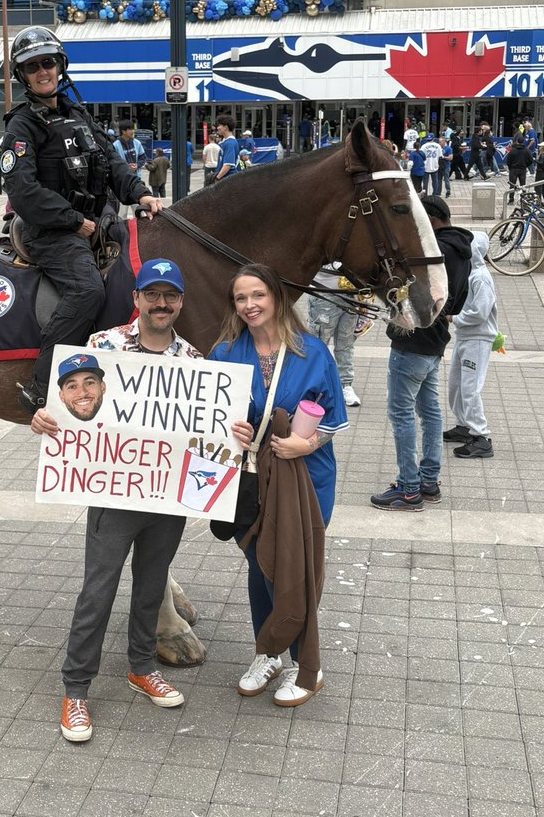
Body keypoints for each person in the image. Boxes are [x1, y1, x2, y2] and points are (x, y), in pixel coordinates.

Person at [30, 259, 204, 742]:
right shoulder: (103, 347)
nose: (161, 303)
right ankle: (76, 690)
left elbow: (205, 427)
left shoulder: (193, 361)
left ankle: (141, 667)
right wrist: (45, 418)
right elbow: (75, 400)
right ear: (138, 299)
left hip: (166, 498)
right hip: (114, 494)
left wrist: (233, 433)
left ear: (181, 302)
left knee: (152, 588)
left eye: (170, 295)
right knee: (98, 591)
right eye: (153, 294)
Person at [208, 264, 348, 706]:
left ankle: (308, 665)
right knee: (258, 563)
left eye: (258, 296)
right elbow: (207, 417)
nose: (249, 306)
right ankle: (268, 650)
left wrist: (306, 444)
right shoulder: (226, 352)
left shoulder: (312, 352)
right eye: (240, 298)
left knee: (293, 568)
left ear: (277, 298)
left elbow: (335, 418)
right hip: (248, 480)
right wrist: (231, 431)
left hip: (304, 479)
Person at [2, 27, 160, 413]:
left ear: (60, 66)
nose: (43, 71)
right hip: (51, 231)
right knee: (89, 290)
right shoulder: (21, 126)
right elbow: (23, 191)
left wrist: (141, 193)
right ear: (22, 75)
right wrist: (74, 222)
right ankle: (41, 386)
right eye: (32, 66)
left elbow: (112, 165)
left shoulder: (78, 114)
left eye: (48, 62)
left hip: (96, 223)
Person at [371, 196, 472, 511]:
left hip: (413, 342)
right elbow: (456, 300)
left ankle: (409, 488)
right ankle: (428, 481)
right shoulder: (461, 250)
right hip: (436, 341)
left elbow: (411, 293)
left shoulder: (432, 251)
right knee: (430, 412)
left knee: (401, 414)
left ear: (430, 218)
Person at [446, 232, 496, 460]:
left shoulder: (481, 277)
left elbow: (481, 312)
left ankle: (481, 437)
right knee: (456, 385)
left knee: (470, 387)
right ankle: (464, 425)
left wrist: (455, 318)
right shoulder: (470, 273)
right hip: (465, 335)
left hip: (478, 338)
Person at [307, 263, 362, 407]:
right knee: (318, 343)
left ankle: (346, 385)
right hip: (324, 292)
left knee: (346, 343)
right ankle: (314, 384)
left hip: (352, 294)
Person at [55, 353, 106, 422]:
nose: (82, 393)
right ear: (62, 396)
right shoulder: (47, 419)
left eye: (89, 383)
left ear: (102, 387)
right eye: (72, 387)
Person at [505, 135, 534, 203]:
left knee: (512, 185)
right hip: (522, 169)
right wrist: (526, 165)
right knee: (523, 185)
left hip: (513, 169)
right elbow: (531, 160)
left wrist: (510, 167)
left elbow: (508, 161)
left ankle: (511, 199)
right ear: (523, 142)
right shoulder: (526, 150)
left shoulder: (513, 150)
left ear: (517, 142)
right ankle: (523, 199)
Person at [214, 115, 241, 182]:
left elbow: (228, 164)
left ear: (225, 127)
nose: (217, 128)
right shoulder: (226, 142)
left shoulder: (230, 143)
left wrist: (217, 178)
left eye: (219, 125)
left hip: (228, 180)